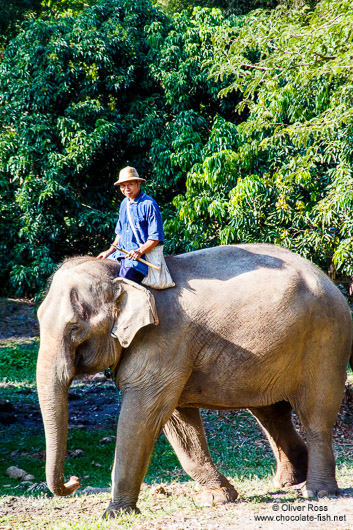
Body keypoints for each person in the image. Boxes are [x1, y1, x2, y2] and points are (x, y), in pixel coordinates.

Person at [97, 166, 164, 284]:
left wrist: (139, 251)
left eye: (130, 184)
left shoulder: (149, 204)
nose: (126, 189)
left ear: (138, 183)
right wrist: (109, 251)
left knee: (122, 283)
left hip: (139, 259)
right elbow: (120, 232)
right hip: (120, 254)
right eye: (123, 186)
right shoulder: (124, 204)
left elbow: (156, 237)